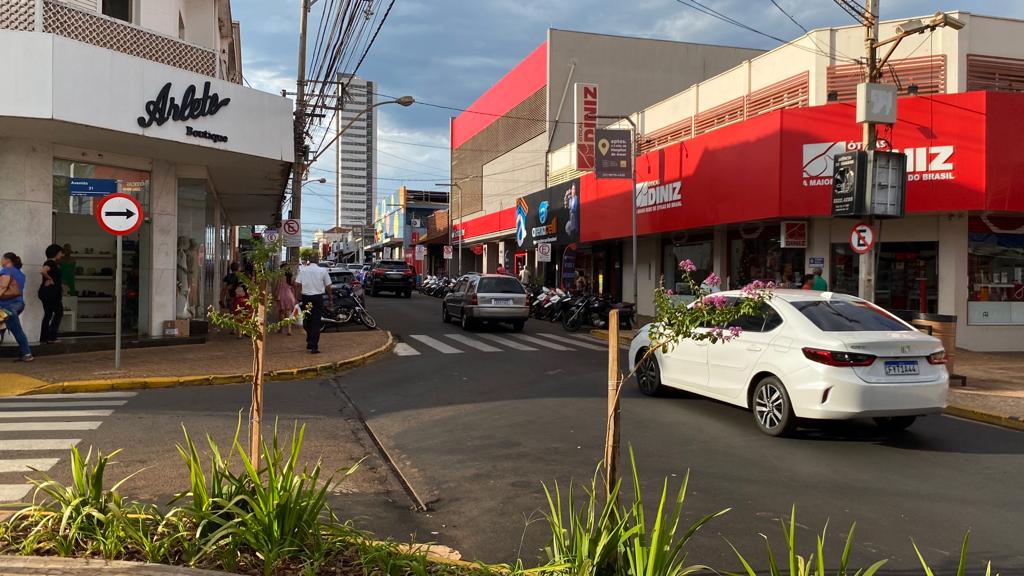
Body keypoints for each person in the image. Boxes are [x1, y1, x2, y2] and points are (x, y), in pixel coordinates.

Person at [295, 257, 332, 354]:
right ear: (318, 261)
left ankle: (310, 341)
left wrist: (297, 296)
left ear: (309, 261)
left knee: (307, 320)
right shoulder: (322, 271)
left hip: (306, 298)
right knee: (316, 321)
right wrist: (330, 299)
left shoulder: (303, 270)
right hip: (318, 298)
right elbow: (328, 286)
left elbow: (297, 284)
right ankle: (314, 345)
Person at [0, 252, 33, 362]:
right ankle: (27, 354)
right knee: (14, 328)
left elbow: (2, 287)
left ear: (7, 261)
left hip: (6, 306)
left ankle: (27, 354)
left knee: (15, 329)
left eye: (2, 259)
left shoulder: (6, 270)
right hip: (18, 304)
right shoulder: (20, 274)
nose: (1, 261)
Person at [38, 244, 64, 343]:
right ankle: (52, 336)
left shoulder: (51, 263)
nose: (61, 255)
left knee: (48, 314)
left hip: (47, 293)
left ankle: (44, 337)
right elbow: (43, 271)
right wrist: (50, 279)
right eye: (61, 253)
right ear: (56, 253)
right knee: (59, 313)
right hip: (51, 293)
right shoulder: (51, 263)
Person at [274, 266, 298, 336]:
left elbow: (277, 287)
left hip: (281, 296)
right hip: (289, 296)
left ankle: (281, 329)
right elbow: (295, 286)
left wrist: (275, 295)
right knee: (289, 313)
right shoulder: (291, 277)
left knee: (281, 313)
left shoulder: (280, 277)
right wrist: (295, 297)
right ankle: (289, 330)